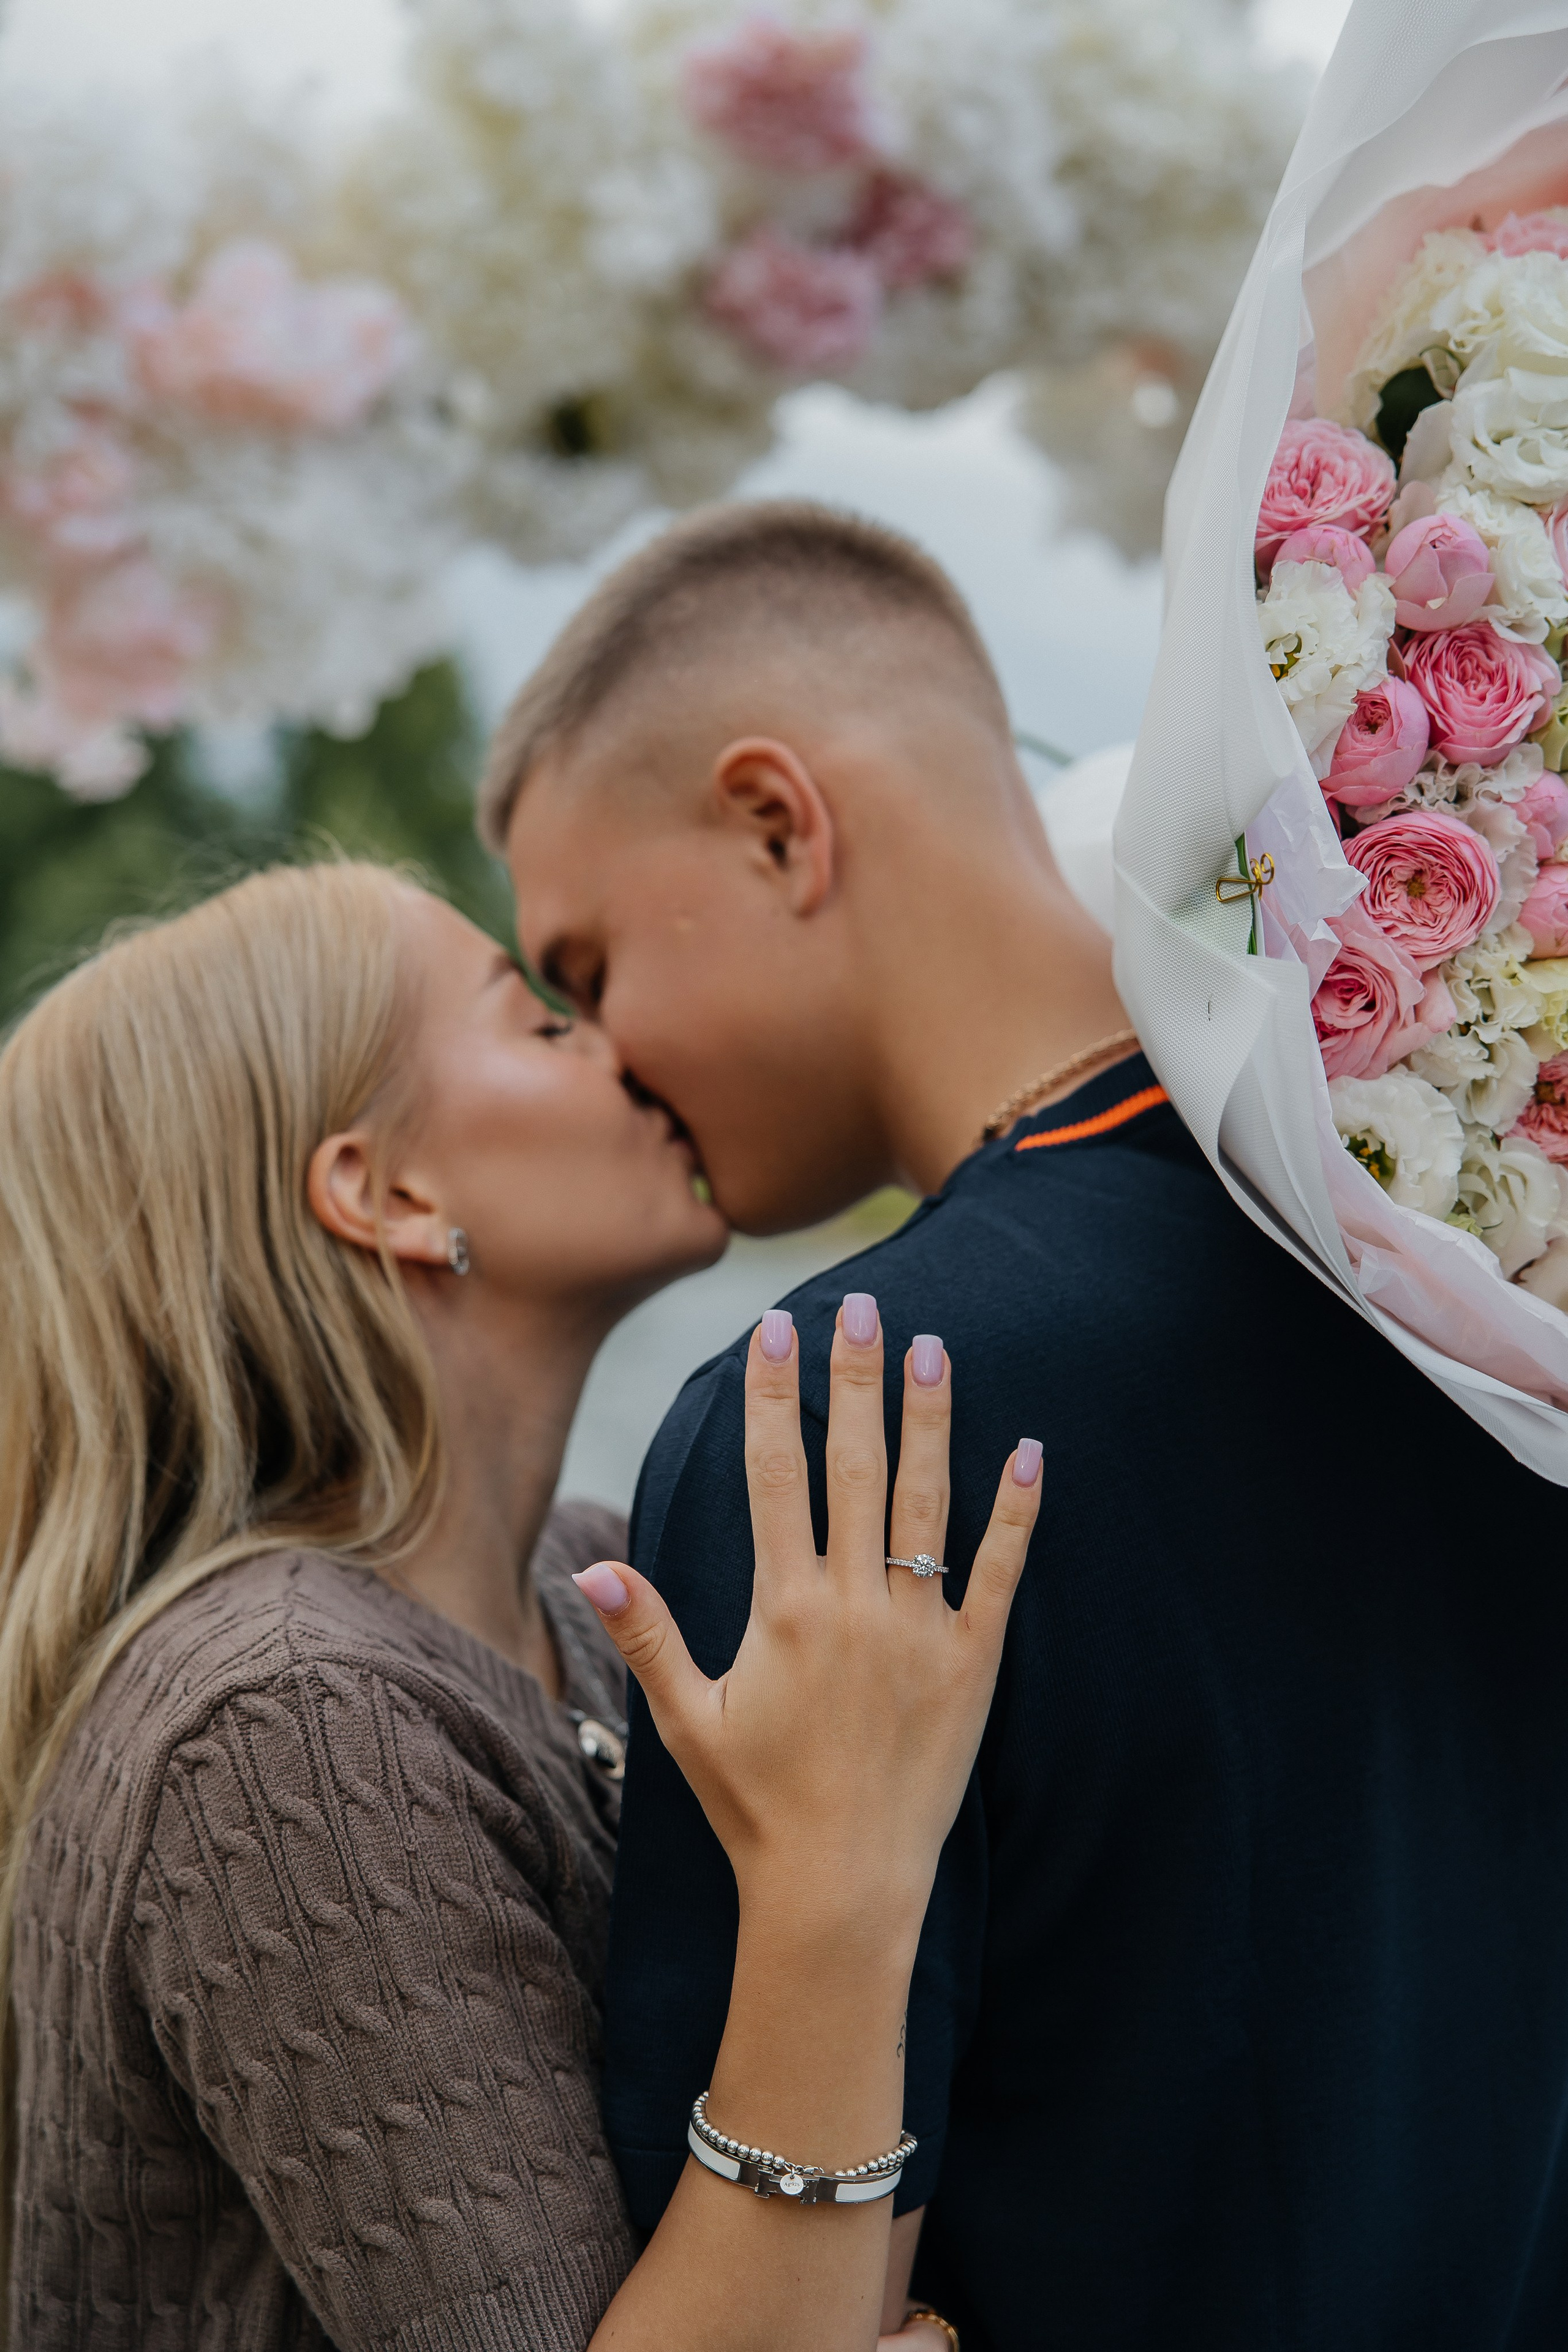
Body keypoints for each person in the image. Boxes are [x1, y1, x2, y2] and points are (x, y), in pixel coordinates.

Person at [491, 497, 1568, 2351]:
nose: (610, 1062)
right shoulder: (1481, 1276)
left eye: (587, 970)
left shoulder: (846, 1422)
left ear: (776, 823)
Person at [0, 858, 1041, 2351]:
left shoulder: (588, 1574)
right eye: (538, 1022)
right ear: (389, 1192)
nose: (617, 1045)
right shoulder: (285, 1727)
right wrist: (843, 1874)